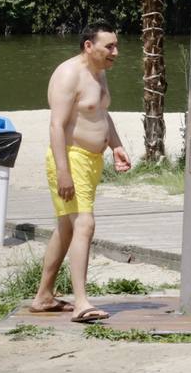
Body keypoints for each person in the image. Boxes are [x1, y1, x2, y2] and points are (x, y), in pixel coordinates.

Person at [31, 21, 132, 323]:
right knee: (84, 224)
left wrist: (115, 145)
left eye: (116, 45)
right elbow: (57, 126)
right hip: (70, 159)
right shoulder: (68, 75)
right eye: (109, 47)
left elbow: (100, 113)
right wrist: (63, 171)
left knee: (67, 229)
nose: (116, 52)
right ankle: (81, 303)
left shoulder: (99, 72)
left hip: (92, 161)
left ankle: (44, 296)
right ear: (89, 46)